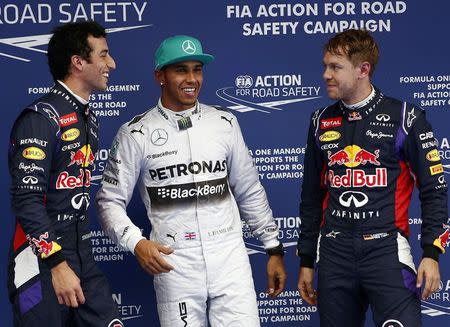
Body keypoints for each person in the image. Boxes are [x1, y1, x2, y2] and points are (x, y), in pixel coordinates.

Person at [96, 34, 287, 326]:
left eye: (197, 69)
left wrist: (272, 246)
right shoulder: (136, 133)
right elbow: (109, 201)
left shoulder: (224, 122)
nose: (192, 78)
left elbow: (249, 189)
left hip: (229, 257)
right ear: (160, 75)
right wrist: (136, 242)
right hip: (175, 262)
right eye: (181, 69)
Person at [297, 29, 449, 327]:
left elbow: (434, 190)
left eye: (335, 67)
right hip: (334, 252)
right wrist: (306, 260)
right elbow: (311, 197)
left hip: (386, 250)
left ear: (362, 69)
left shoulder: (406, 118)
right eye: (326, 66)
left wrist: (432, 252)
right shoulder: (320, 121)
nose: (326, 74)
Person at [7, 21, 122, 327]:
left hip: (82, 253)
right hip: (40, 263)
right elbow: (27, 200)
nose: (111, 63)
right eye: (103, 55)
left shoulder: (89, 117)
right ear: (78, 62)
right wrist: (56, 264)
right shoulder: (41, 117)